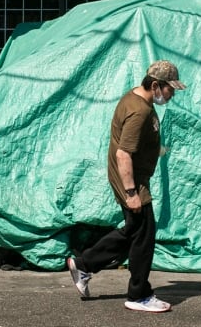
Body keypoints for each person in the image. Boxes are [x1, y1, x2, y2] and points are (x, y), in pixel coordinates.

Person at [67, 60, 186, 313]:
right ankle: (139, 294)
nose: (172, 94)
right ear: (155, 85)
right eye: (170, 89)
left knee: (135, 230)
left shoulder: (137, 98)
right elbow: (123, 154)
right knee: (144, 235)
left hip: (132, 177)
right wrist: (131, 193)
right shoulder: (139, 111)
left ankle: (84, 264)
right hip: (132, 181)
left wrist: (154, 149)